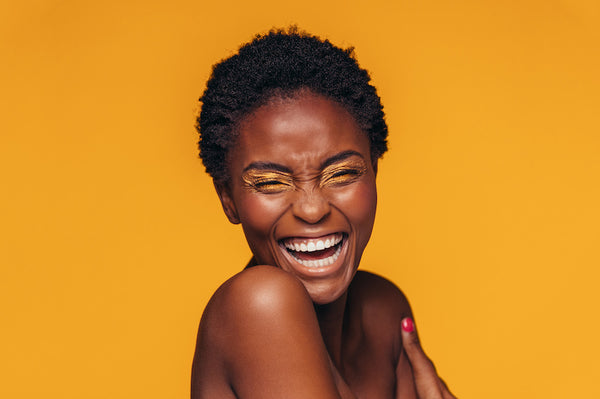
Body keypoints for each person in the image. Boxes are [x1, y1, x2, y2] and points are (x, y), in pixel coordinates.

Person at [191, 27, 455, 399]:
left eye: (342, 174)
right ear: (228, 199)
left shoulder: (383, 311)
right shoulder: (259, 304)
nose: (312, 209)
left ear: (374, 172)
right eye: (270, 183)